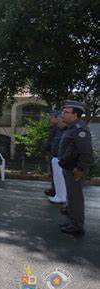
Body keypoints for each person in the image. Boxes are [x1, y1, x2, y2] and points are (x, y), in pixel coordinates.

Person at [58, 100, 94, 236]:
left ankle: (77, 226)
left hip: (75, 170)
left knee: (76, 198)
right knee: (71, 197)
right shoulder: (71, 128)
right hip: (70, 168)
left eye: (66, 112)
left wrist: (80, 169)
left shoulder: (79, 129)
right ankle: (72, 222)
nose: (63, 115)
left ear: (75, 114)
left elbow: (86, 152)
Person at [48, 112, 67, 205]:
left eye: (59, 120)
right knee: (57, 178)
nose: (58, 122)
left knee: (61, 179)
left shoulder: (66, 131)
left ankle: (62, 197)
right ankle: (59, 195)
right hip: (56, 156)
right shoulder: (59, 130)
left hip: (61, 158)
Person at [45, 111, 60, 197]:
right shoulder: (54, 127)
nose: (50, 119)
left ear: (57, 118)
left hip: (57, 155)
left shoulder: (59, 128)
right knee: (54, 173)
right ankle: (54, 189)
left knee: (57, 174)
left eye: (51, 117)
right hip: (53, 154)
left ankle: (56, 190)